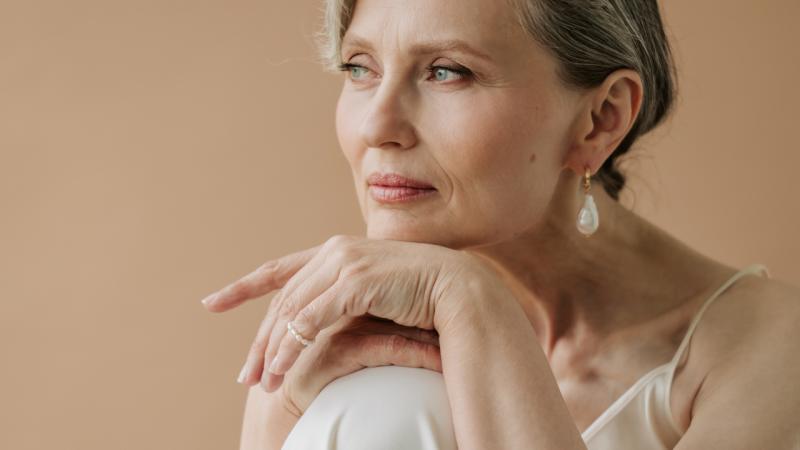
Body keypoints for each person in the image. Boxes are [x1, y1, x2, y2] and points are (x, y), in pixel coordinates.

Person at [202, 0, 800, 448]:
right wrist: (276, 408)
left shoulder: (774, 351)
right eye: (360, 67)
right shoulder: (359, 341)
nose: (376, 125)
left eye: (446, 71)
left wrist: (469, 297)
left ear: (600, 119)